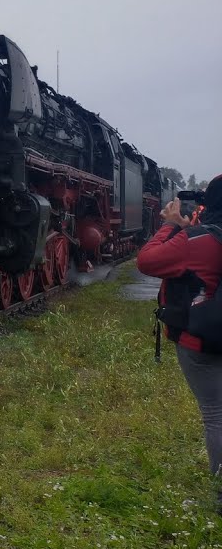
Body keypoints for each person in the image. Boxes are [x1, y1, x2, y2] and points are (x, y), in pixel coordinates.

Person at [137, 175, 222, 497]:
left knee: (215, 414)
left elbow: (148, 261)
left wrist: (172, 226)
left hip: (201, 339)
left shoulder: (197, 240)